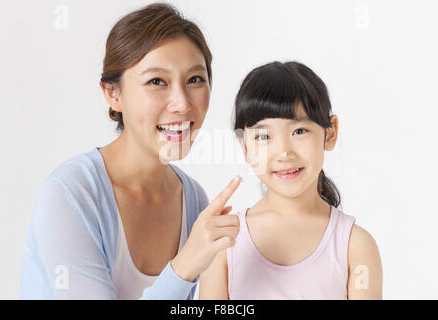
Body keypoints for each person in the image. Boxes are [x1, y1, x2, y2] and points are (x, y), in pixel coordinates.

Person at [20, 2, 241, 299]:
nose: (182, 103)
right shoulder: (70, 194)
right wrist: (185, 265)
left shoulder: (193, 200)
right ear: (114, 94)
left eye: (195, 80)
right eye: (156, 81)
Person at [199, 61, 383, 299]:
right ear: (243, 146)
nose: (284, 152)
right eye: (264, 136)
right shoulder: (224, 244)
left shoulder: (355, 246)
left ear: (330, 133)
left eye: (299, 131)